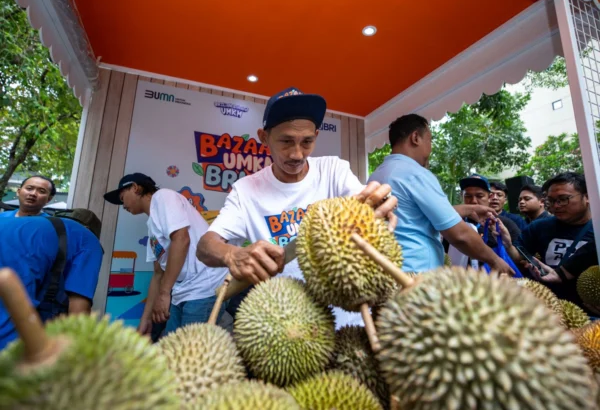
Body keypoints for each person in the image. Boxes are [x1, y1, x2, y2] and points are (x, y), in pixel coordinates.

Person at [196, 86, 398, 328]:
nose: (297, 154)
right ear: (264, 137)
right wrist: (231, 254)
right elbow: (205, 246)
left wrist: (378, 205)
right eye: (286, 141)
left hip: (351, 319)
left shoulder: (333, 170)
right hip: (287, 326)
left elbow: (365, 202)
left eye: (307, 142)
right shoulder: (246, 190)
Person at [368, 114, 515, 274]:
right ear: (415, 138)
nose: (430, 149)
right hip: (417, 275)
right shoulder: (415, 173)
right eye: (429, 140)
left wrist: (468, 209)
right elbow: (459, 235)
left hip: (387, 273)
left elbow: (416, 217)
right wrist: (494, 260)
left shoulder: (376, 175)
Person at [104, 173, 229, 337]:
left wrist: (164, 294)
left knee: (188, 355)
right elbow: (158, 274)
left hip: (204, 288)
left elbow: (181, 239)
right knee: (169, 348)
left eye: (122, 197)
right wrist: (145, 319)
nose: (123, 205)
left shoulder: (163, 197)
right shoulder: (152, 226)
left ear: (135, 188)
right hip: (182, 292)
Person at [0, 210, 103, 349]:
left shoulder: (35, 226)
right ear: (89, 229)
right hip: (13, 273)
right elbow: (78, 307)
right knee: (11, 348)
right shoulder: (88, 238)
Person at [496, 172, 597, 312]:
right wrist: (508, 244)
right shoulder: (540, 227)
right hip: (548, 306)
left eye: (563, 199)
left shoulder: (596, 229)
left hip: (590, 311)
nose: (556, 205)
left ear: (587, 197)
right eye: (551, 200)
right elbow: (520, 256)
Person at [460, 175, 521, 249]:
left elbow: (520, 258)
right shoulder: (452, 223)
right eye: (468, 196)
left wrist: (508, 246)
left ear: (489, 197)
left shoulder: (505, 224)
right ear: (462, 197)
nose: (473, 201)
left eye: (479, 196)